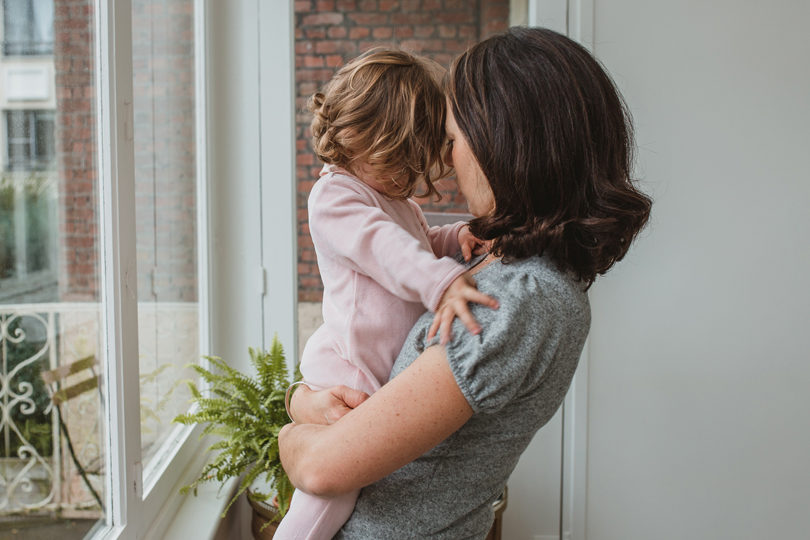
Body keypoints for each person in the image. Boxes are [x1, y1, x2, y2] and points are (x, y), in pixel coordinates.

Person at [279, 26, 653, 540]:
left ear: (506, 141)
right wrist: (302, 402)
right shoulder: (499, 268)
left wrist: (289, 436)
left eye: (453, 140)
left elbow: (321, 468)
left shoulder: (520, 296)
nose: (445, 159)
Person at [275, 48, 500, 540]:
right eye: (400, 161)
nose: (409, 178)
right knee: (331, 497)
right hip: (352, 368)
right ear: (361, 138)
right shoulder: (335, 197)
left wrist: (453, 238)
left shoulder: (393, 198)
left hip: (379, 366)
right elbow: (383, 247)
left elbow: (415, 242)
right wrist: (441, 281)